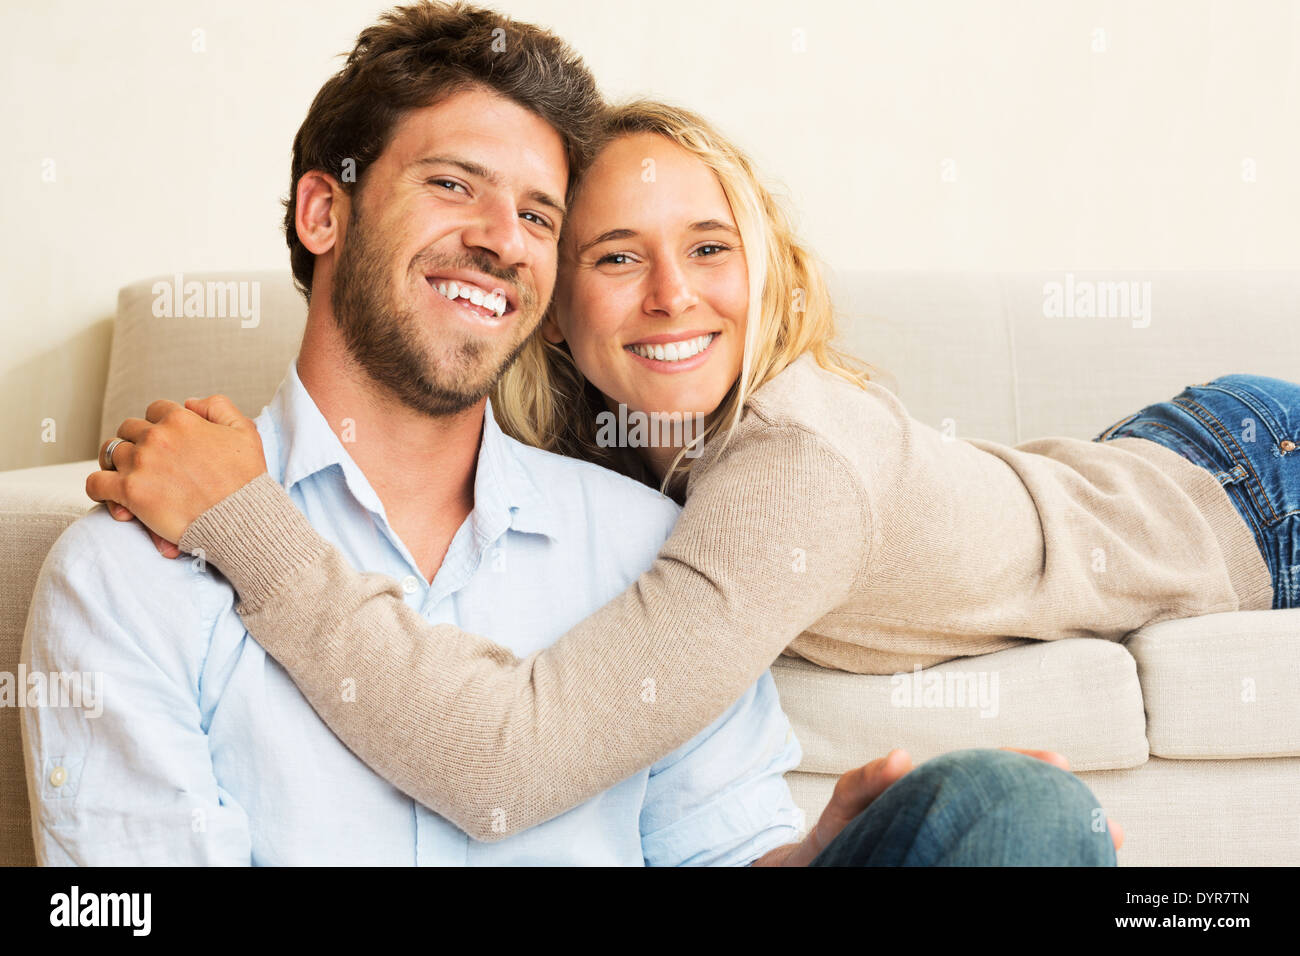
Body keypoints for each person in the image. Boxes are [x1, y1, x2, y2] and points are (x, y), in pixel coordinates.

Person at [28, 0, 1116, 867]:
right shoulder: (131, 570)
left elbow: (705, 842)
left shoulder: (647, 545)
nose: (503, 239)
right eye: (453, 185)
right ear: (325, 213)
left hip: (1192, 498)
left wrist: (808, 858)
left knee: (1012, 809)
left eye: (540, 216)